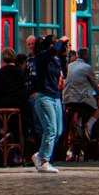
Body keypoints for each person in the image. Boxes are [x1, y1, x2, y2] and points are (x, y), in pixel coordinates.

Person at [32, 33, 68, 173]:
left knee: (58, 131)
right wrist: (62, 40)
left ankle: (40, 155)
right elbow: (52, 50)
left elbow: (64, 72)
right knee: (50, 129)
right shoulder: (42, 56)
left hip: (56, 97)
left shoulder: (55, 59)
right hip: (45, 97)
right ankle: (44, 161)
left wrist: (64, 55)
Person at [0, 47, 29, 145]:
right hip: (19, 106)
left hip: (3, 105)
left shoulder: (0, 73)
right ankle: (18, 153)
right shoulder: (20, 72)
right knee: (17, 123)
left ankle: (1, 129)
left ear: (3, 59)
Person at [62, 47, 99, 154]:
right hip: (81, 103)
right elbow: (96, 86)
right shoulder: (87, 67)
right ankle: (88, 125)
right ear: (86, 56)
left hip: (67, 102)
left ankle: (78, 130)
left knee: (76, 113)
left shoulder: (69, 66)